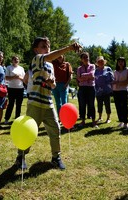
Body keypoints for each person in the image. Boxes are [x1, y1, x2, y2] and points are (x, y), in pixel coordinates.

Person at [15, 36, 82, 170]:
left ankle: (56, 157)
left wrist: (52, 83)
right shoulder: (37, 59)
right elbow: (50, 56)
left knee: (55, 130)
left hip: (48, 103)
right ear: (36, 50)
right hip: (34, 103)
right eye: (43, 46)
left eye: (48, 46)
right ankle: (20, 157)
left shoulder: (51, 65)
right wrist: (68, 48)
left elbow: (53, 84)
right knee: (29, 133)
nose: (47, 49)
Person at [77, 52, 98, 128]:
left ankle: (93, 122)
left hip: (91, 88)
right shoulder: (79, 68)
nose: (86, 59)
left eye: (87, 57)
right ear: (81, 59)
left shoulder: (92, 66)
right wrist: (87, 76)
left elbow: (92, 75)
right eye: (84, 57)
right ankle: (83, 121)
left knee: (91, 105)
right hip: (82, 88)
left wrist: (83, 76)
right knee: (82, 105)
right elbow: (79, 78)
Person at [112, 57, 128, 129]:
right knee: (118, 107)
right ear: (117, 63)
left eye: (122, 61)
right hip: (115, 91)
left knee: (124, 107)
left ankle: (126, 123)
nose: (120, 63)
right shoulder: (115, 71)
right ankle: (121, 122)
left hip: (123, 90)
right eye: (119, 61)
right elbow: (113, 81)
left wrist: (118, 83)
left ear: (124, 62)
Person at [4, 56, 25, 124]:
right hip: (11, 88)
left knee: (19, 104)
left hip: (20, 88)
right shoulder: (9, 67)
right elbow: (6, 78)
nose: (16, 60)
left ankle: (17, 119)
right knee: (11, 104)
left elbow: (24, 79)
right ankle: (6, 119)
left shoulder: (21, 68)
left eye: (17, 59)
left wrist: (19, 77)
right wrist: (14, 77)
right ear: (12, 60)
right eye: (14, 59)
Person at [94, 56, 114, 124]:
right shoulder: (96, 70)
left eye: (102, 61)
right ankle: (100, 117)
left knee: (107, 104)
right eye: (99, 61)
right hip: (98, 90)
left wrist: (112, 87)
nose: (100, 62)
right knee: (99, 104)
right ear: (97, 63)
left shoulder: (108, 69)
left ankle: (108, 118)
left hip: (106, 90)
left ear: (104, 62)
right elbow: (94, 80)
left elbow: (112, 78)